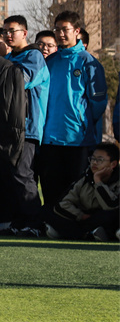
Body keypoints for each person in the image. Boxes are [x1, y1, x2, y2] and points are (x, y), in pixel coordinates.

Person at [0, 15, 48, 236]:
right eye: (5, 31)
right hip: (5, 129)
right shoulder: (9, 58)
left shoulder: (34, 56)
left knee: (23, 175)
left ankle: (35, 223)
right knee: (8, 177)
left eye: (12, 30)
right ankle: (18, 222)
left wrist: (0, 64)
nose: (8, 35)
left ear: (25, 33)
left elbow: (20, 80)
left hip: (27, 128)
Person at [39, 11, 108, 207]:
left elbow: (98, 102)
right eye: (57, 29)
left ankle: (77, 221)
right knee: (51, 189)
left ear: (77, 31)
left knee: (76, 190)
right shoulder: (50, 61)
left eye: (65, 29)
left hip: (77, 139)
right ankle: (51, 221)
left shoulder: (88, 62)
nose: (60, 34)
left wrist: (83, 124)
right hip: (49, 137)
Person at [43, 143, 119, 241]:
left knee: (110, 216)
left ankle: (70, 233)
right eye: (93, 159)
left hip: (105, 216)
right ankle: (88, 234)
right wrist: (80, 215)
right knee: (47, 210)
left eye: (100, 160)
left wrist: (98, 181)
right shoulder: (85, 177)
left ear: (113, 164)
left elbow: (111, 206)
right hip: (85, 217)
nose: (94, 163)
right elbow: (62, 204)